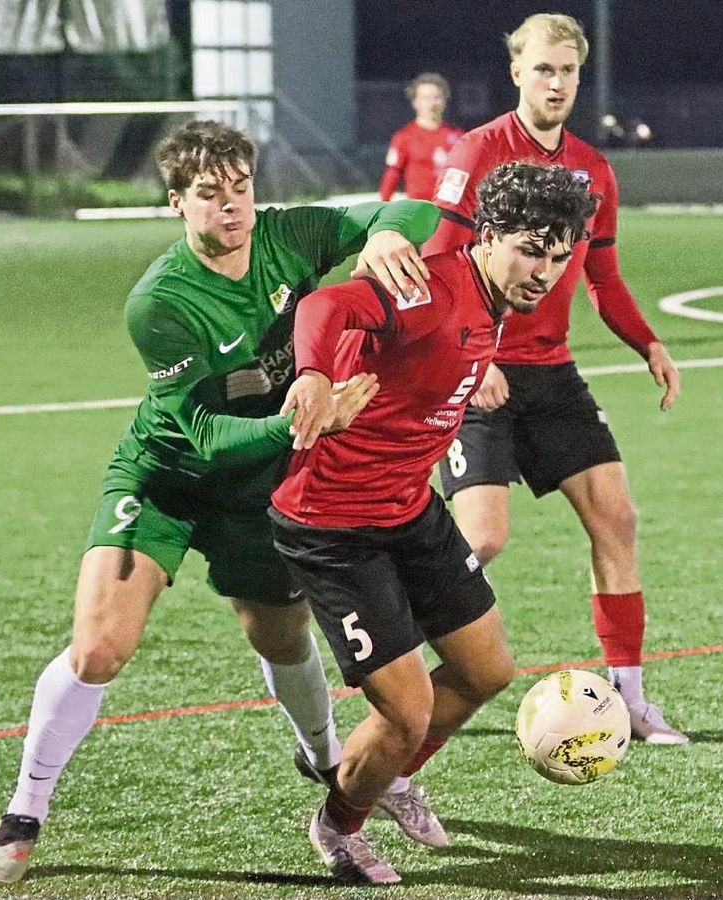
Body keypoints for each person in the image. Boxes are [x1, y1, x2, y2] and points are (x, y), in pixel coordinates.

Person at [0, 119, 441, 884]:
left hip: (258, 489)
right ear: (175, 205)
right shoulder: (159, 302)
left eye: (242, 189)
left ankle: (324, 758)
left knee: (284, 638)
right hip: (166, 477)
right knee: (99, 647)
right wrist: (304, 420)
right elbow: (200, 431)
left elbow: (413, 208)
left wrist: (388, 234)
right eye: (209, 196)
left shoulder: (291, 236)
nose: (231, 208)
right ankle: (26, 810)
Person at [269, 162, 599, 885]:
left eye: (557, 254)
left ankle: (382, 777)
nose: (542, 270)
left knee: (487, 670)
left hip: (410, 509)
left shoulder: (490, 299)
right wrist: (316, 376)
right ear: (486, 235)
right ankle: (337, 823)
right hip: (331, 524)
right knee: (407, 712)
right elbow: (325, 308)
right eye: (528, 248)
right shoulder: (429, 289)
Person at [424, 13, 687, 745]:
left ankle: (628, 699)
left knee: (616, 518)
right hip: (479, 372)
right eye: (543, 68)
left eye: (568, 70)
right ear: (516, 72)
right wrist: (470, 362)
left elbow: (601, 277)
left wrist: (647, 343)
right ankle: (397, 673)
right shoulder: (477, 150)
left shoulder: (593, 169)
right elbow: (438, 261)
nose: (556, 82)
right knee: (482, 535)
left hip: (552, 374)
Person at [378, 72, 463, 201]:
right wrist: (382, 206)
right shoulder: (404, 137)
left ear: (445, 100)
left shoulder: (457, 136)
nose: (432, 103)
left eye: (437, 97)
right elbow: (392, 174)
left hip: (448, 210)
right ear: (415, 102)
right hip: (418, 210)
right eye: (426, 98)